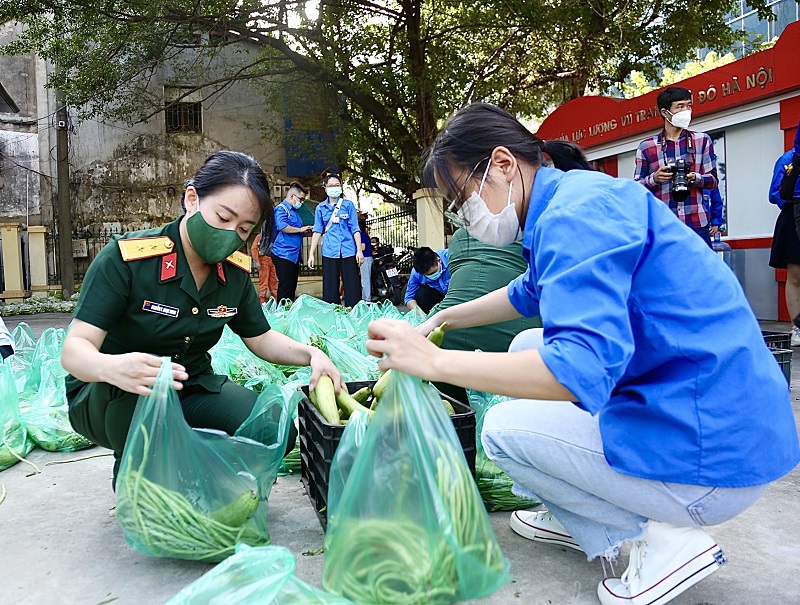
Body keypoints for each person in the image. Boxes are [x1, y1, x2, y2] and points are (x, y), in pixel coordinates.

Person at [366, 103, 799, 605]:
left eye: (462, 198)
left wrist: (433, 361)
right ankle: (582, 511)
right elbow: (528, 291)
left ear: (504, 165)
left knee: (503, 431)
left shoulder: (573, 216)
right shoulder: (570, 199)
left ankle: (663, 539)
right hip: (715, 410)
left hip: (713, 458)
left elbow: (578, 371)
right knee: (530, 342)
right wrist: (441, 318)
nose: (464, 215)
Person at [61, 151, 344, 487]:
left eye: (243, 228)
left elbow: (261, 338)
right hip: (116, 391)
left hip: (190, 385)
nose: (230, 234)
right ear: (192, 199)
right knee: (156, 465)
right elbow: (74, 349)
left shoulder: (234, 272)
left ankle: (193, 456)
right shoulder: (127, 259)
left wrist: (312, 355)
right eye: (223, 217)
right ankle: (138, 471)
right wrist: (113, 368)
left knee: (273, 431)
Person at [429, 227, 541, 403]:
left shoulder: (460, 238)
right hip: (511, 359)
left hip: (446, 351)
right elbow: (523, 292)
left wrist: (435, 320)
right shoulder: (534, 238)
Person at [634, 86, 718, 247]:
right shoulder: (647, 146)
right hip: (663, 225)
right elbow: (636, 188)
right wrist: (654, 178)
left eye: (689, 105)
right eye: (680, 106)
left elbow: (713, 180)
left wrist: (695, 178)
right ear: (665, 113)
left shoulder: (702, 140)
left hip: (696, 222)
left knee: (699, 272)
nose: (686, 111)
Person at [307, 173, 363, 307]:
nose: (334, 188)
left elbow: (355, 228)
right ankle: (333, 315)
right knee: (330, 287)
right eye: (331, 186)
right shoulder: (320, 208)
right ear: (325, 188)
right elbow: (317, 231)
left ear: (341, 187)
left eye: (337, 185)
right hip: (329, 251)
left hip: (348, 251)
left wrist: (359, 250)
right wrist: (311, 254)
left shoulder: (348, 205)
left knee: (352, 285)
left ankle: (354, 314)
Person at [769, 120, 800, 345]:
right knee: (796, 275)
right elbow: (774, 194)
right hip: (792, 216)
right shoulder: (787, 159)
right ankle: (797, 327)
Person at [271, 182, 313, 302]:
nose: (302, 202)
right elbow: (282, 226)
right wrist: (300, 229)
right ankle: (282, 315)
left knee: (290, 287)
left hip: (293, 255)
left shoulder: (294, 212)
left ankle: (287, 313)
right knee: (285, 288)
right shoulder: (281, 209)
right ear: (292, 196)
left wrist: (304, 230)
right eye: (301, 199)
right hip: (283, 253)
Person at [404, 247, 450, 313]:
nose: (432, 276)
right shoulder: (416, 273)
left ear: (439, 260)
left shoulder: (451, 257)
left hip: (459, 294)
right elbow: (409, 298)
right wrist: (421, 314)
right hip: (439, 299)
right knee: (421, 294)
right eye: (427, 275)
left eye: (433, 273)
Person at [250, 232, 278, 303]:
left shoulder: (273, 235)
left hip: (272, 260)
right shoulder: (260, 236)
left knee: (273, 282)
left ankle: (275, 301)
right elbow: (254, 249)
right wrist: (257, 261)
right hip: (263, 261)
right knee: (264, 283)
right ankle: (263, 302)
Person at [358, 217, 373, 301]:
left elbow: (363, 247)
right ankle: (365, 297)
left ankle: (367, 298)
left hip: (365, 258)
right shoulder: (364, 234)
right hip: (366, 257)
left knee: (365, 279)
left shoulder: (361, 235)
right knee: (364, 279)